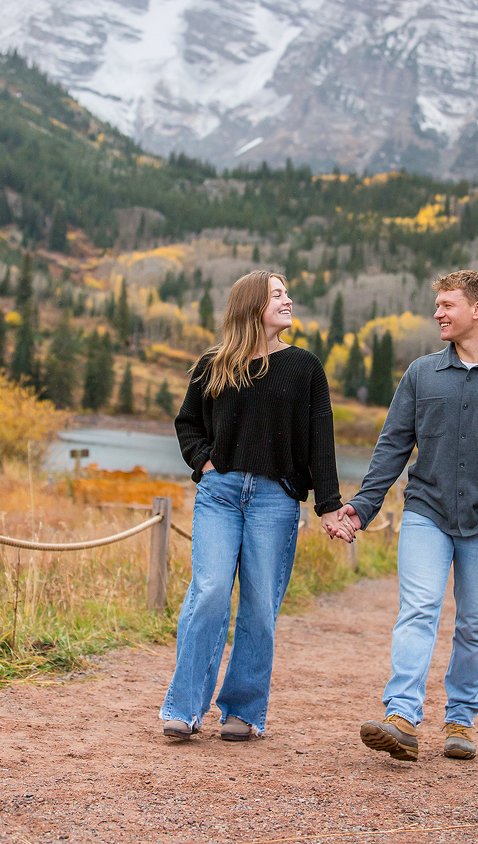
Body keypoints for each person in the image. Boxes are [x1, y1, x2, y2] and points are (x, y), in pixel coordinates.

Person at [332, 270, 478, 762]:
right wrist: (363, 506)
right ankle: (402, 716)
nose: (438, 313)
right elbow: (393, 445)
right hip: (426, 511)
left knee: (475, 624)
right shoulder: (420, 374)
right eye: (437, 304)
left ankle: (460, 719)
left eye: (447, 305)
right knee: (418, 609)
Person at [160, 270, 348, 742]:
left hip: (275, 500)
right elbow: (188, 424)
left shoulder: (305, 367)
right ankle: (184, 707)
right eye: (277, 294)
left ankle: (242, 710)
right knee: (208, 592)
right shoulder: (214, 364)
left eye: (286, 293)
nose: (288, 300)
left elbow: (320, 441)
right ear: (251, 305)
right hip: (219, 495)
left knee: (261, 605)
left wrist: (329, 505)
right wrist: (205, 464)